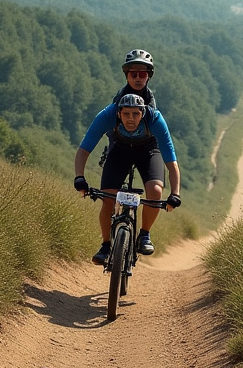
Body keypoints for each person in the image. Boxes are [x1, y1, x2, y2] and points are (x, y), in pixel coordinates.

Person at [74, 83, 181, 264]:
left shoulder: (155, 119)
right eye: (126, 114)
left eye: (136, 114)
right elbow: (84, 150)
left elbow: (171, 162)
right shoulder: (107, 115)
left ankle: (144, 235)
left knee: (155, 191)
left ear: (143, 113)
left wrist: (175, 194)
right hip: (120, 150)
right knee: (108, 198)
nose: (131, 119)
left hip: (149, 151)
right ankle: (106, 245)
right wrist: (79, 177)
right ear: (118, 113)